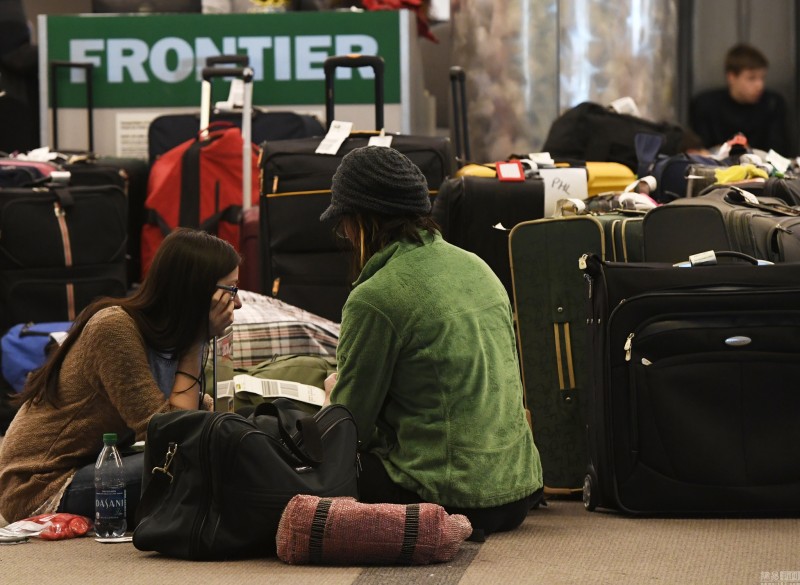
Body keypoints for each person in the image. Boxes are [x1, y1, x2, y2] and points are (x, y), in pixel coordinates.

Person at [320, 146, 543, 540]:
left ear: (360, 222)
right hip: (516, 492)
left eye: (343, 226)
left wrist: (334, 393)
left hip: (448, 497)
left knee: (320, 460)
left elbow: (349, 428)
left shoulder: (375, 296)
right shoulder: (479, 268)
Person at [0, 228, 242, 525]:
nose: (238, 304)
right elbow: (172, 439)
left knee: (219, 452)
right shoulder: (115, 328)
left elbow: (186, 423)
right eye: (231, 292)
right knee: (197, 465)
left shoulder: (162, 335)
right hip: (38, 485)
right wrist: (196, 341)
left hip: (94, 463)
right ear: (196, 290)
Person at [689, 43, 789, 154]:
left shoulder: (772, 104)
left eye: (762, 78)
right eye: (751, 78)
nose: (760, 85)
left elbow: (779, 152)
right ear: (731, 77)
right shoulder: (705, 105)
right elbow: (699, 152)